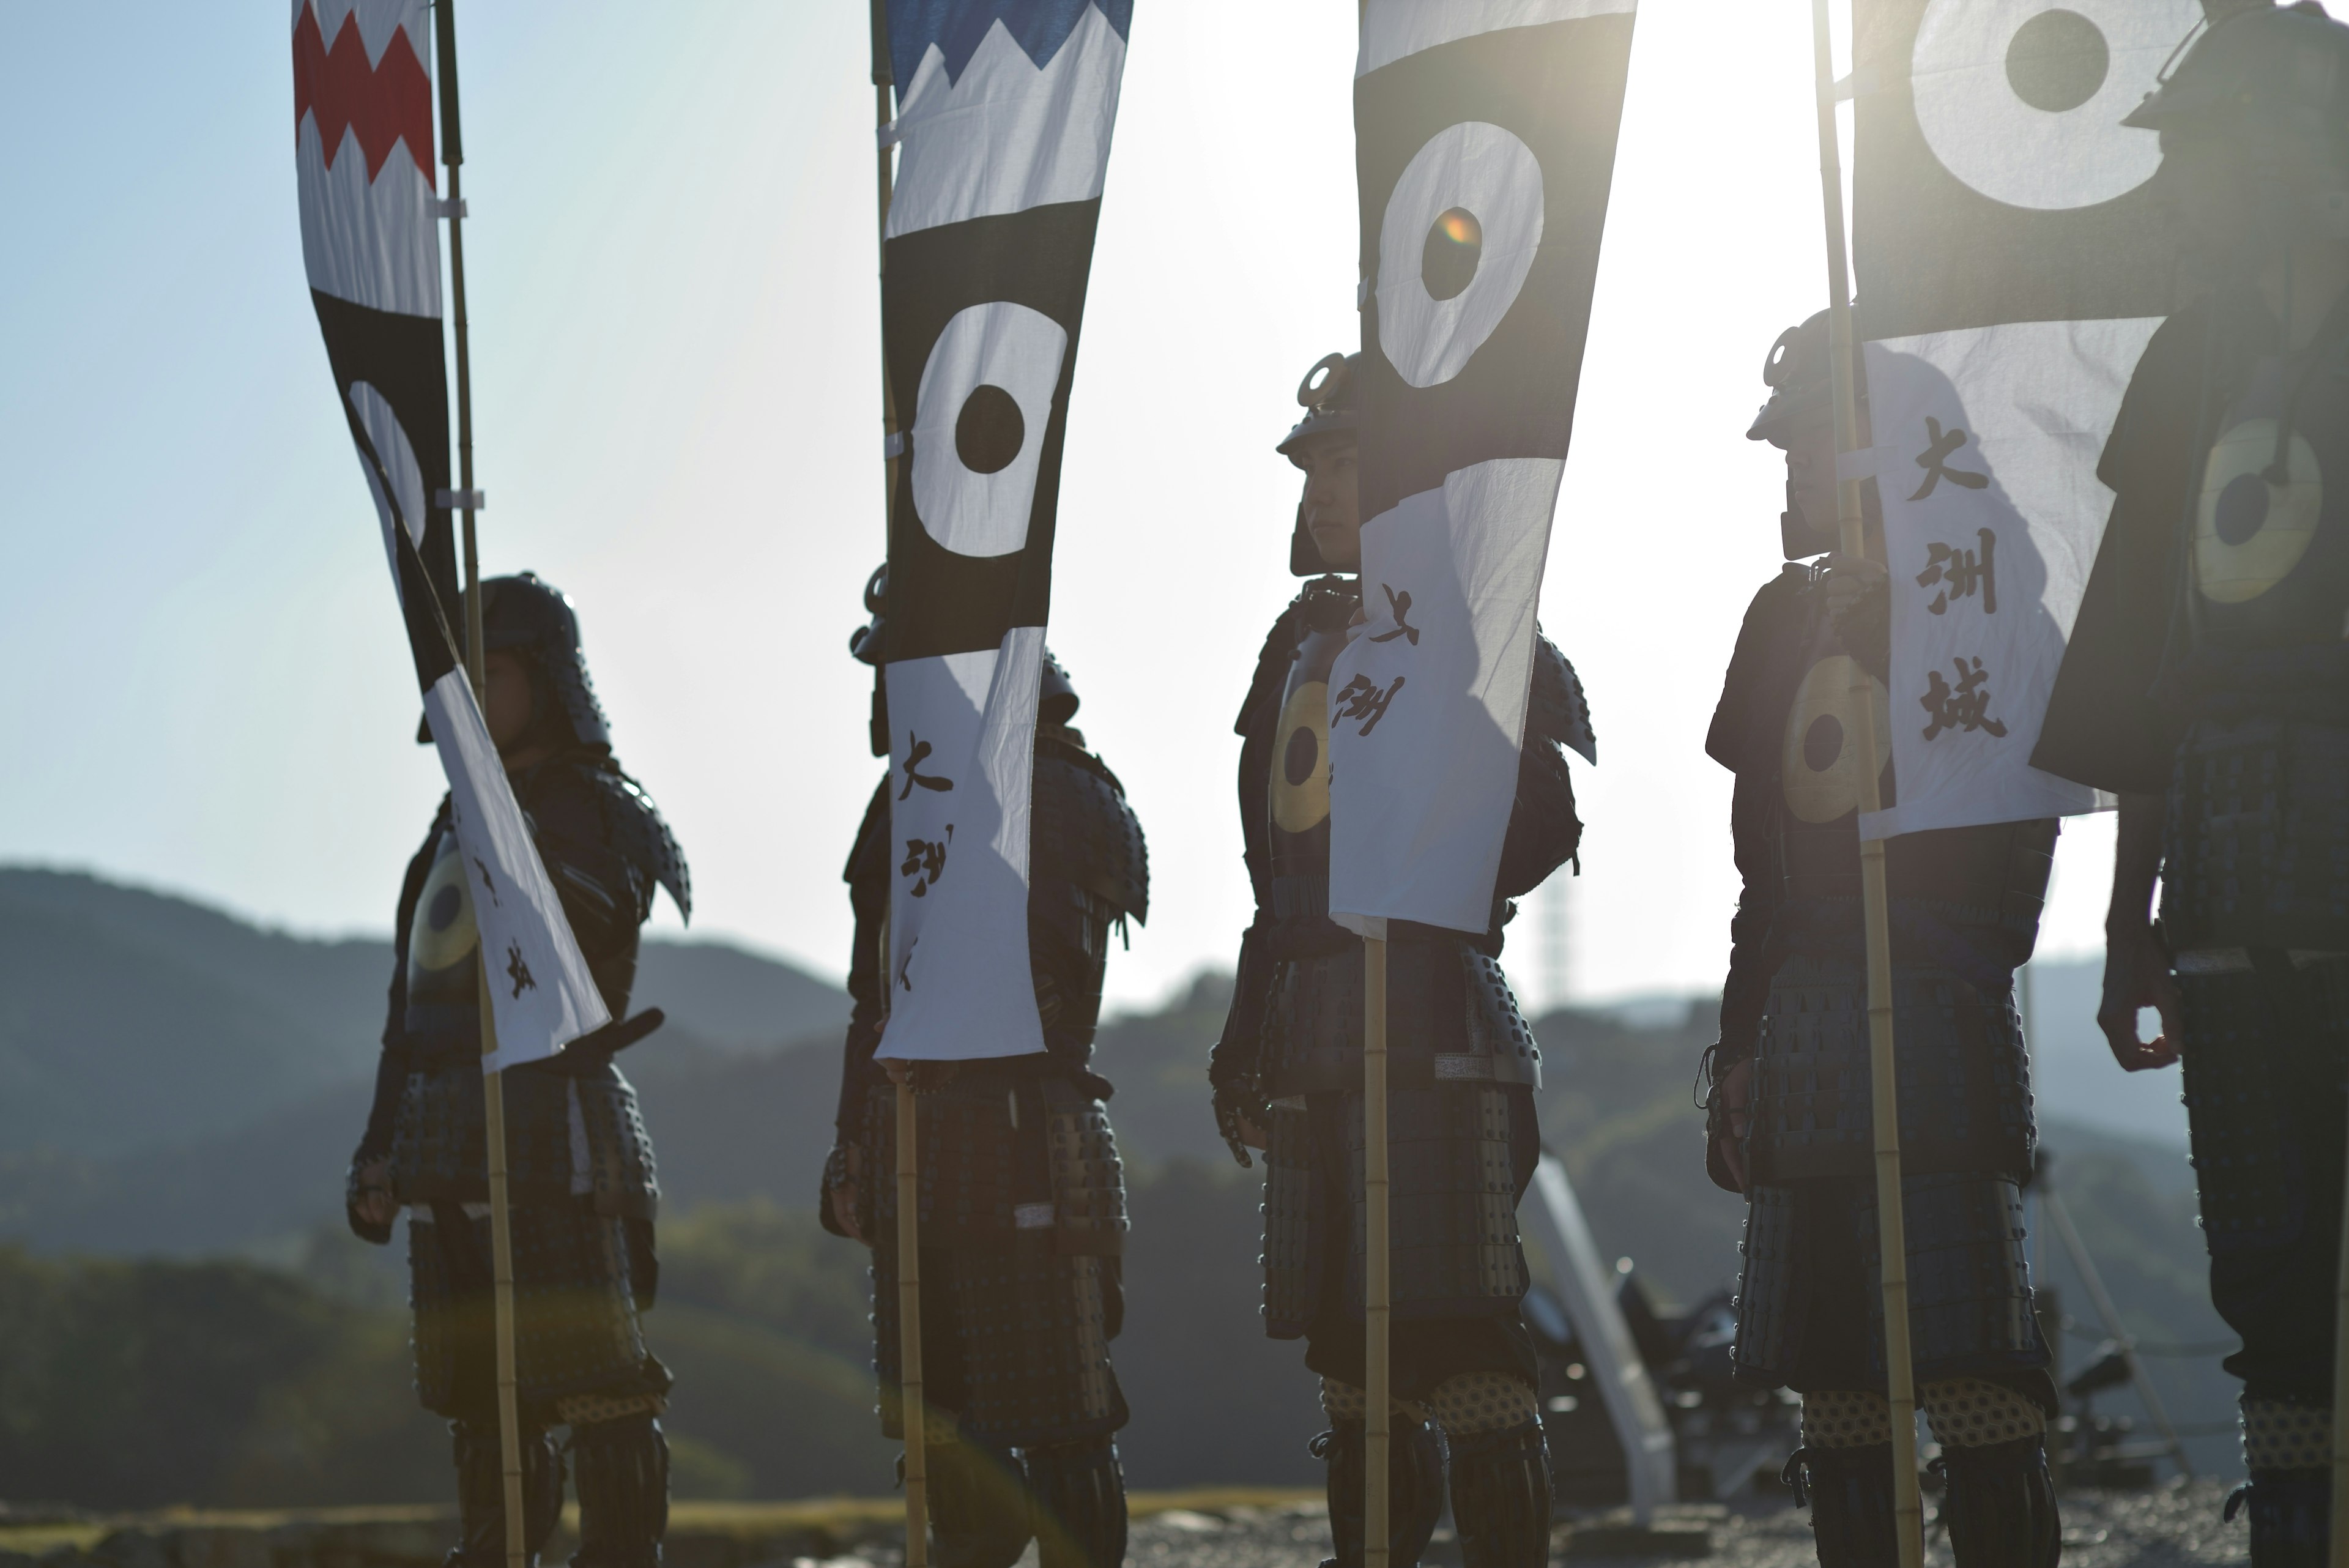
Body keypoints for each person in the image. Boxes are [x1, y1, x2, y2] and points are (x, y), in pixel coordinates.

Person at [2033, 7, 2349, 1559]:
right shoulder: (2193, 356)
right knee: (2275, 1284)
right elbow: (2150, 654)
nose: (2186, 195)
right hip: (2225, 872)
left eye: (2214, 161)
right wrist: (2128, 911)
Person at [1207, 354, 1592, 1568]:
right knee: (1353, 1374)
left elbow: (1542, 826)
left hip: (1431, 1018)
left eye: (1349, 460)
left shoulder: (1480, 619)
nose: (1325, 485)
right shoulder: (1294, 645)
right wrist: (1243, 1038)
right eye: (1315, 463)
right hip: (1313, 1028)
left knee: (1466, 1357)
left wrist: (1427, 851)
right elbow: (1273, 874)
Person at [1700, 311, 2063, 1567]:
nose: (1793, 472)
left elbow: (2024, 823)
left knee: (1973, 1384)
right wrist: (1740, 1044)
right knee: (1842, 1388)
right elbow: (1763, 868)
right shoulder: (1777, 620)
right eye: (1787, 447)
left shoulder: (1977, 586)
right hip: (1803, 1031)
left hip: (1934, 1015)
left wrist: (1951, 959)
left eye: (1813, 443)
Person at [346, 573, 690, 1568]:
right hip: (447, 1135)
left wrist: (515, 837)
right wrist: (380, 1147)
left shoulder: (598, 806)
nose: (475, 697)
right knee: (483, 1405)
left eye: (489, 674)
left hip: (561, 1130)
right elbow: (410, 1011)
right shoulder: (447, 827)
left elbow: (591, 931)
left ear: (545, 679)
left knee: (602, 1389)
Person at [821, 569, 1149, 1568]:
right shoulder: (902, 804)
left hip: (1022, 1131)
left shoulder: (1057, 786)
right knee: (944, 1436)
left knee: (1059, 1421)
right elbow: (870, 998)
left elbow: (1052, 966)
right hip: (912, 1140)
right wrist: (850, 1141)